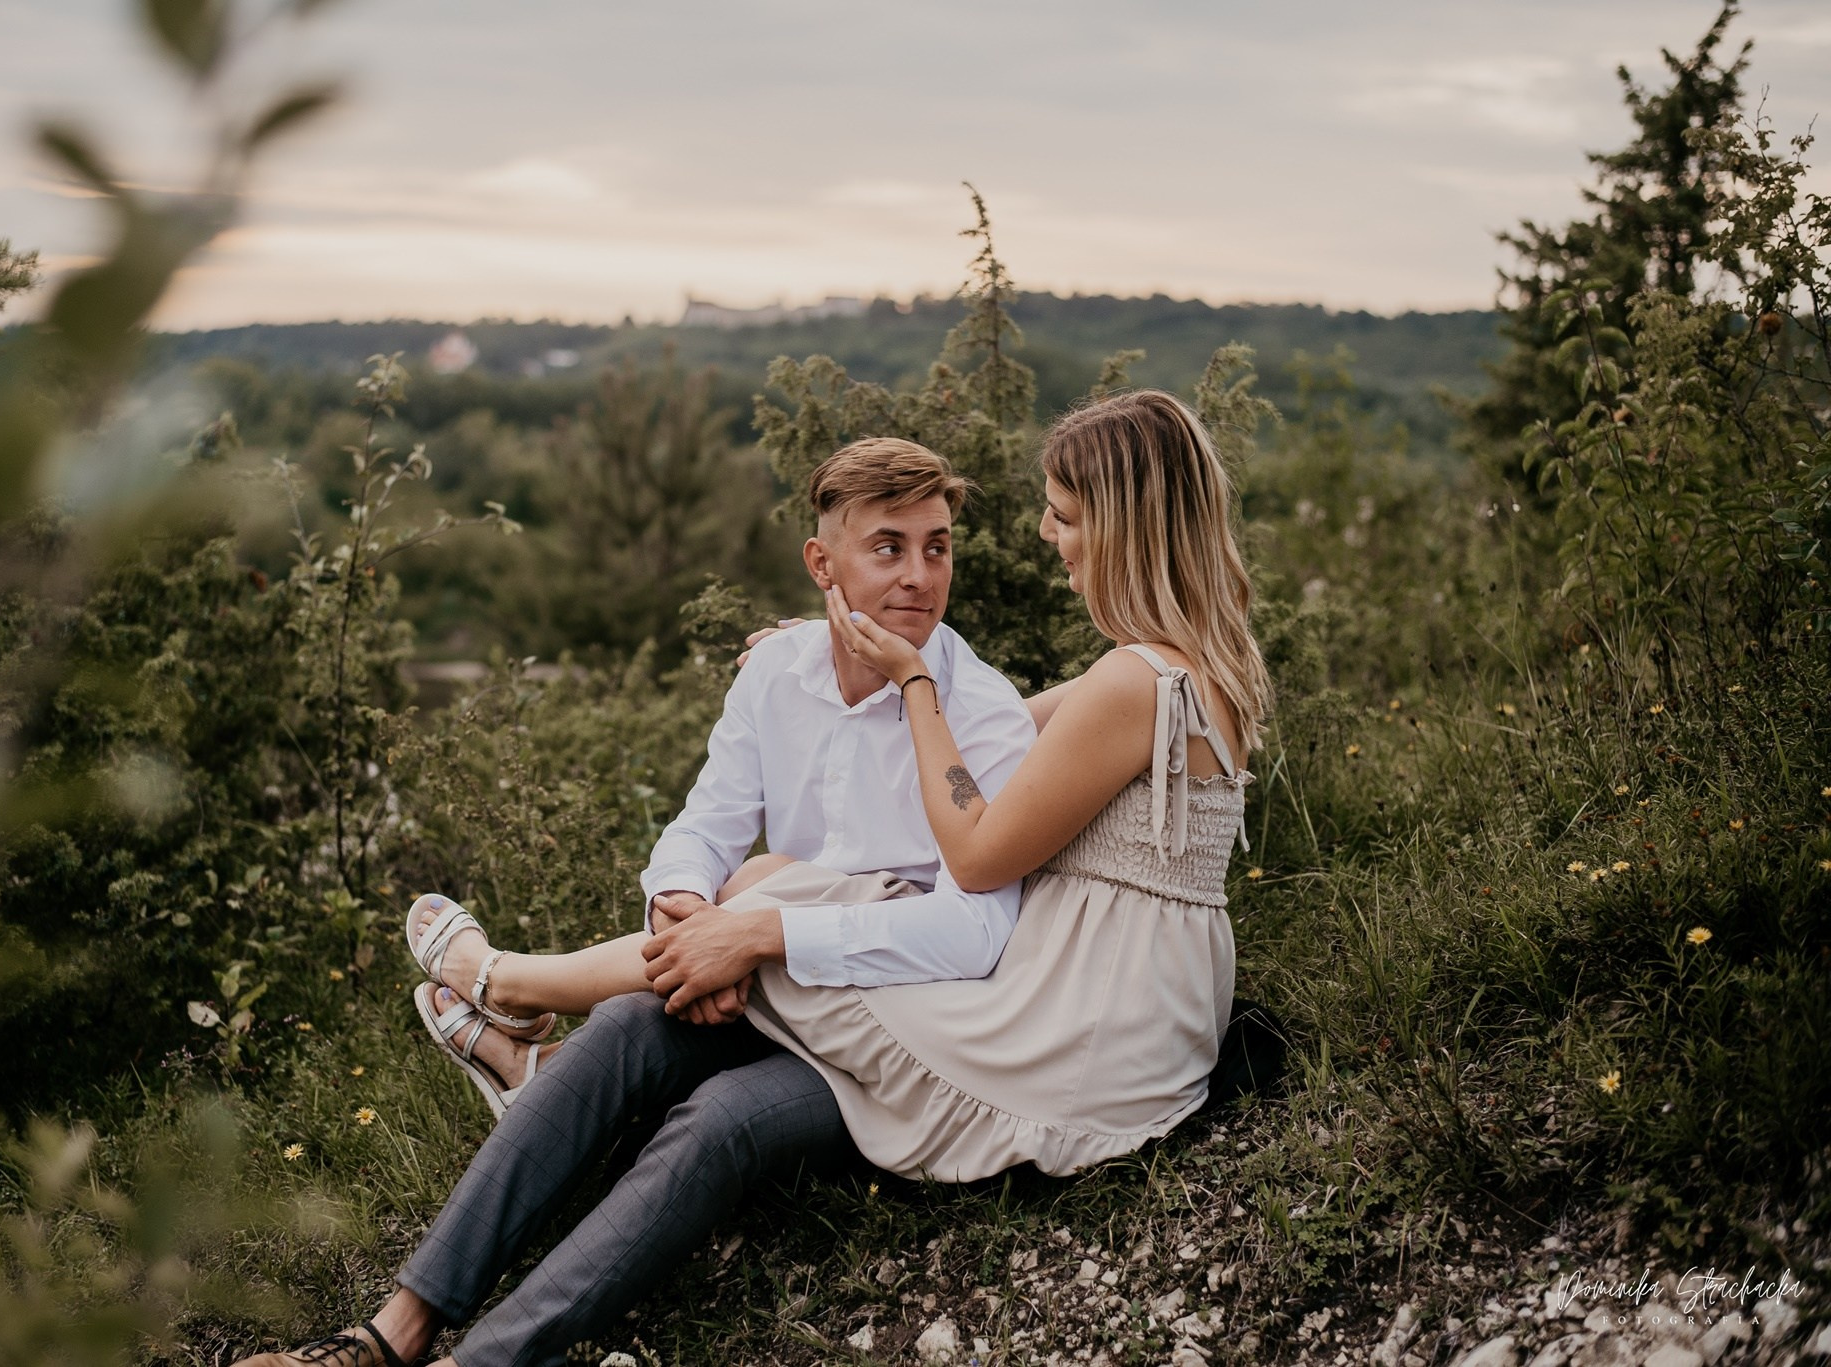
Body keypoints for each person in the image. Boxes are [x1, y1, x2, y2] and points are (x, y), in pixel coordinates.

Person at [231, 437, 1037, 1367]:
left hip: (897, 1046)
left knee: (721, 1122)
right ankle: (387, 1334)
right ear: (823, 562)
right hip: (772, 986)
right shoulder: (776, 675)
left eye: (937, 546)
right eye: (888, 546)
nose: (920, 575)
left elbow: (979, 929)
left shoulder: (977, 712)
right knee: (618, 1029)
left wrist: (761, 935)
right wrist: (687, 916)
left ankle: (479, 1360)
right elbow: (704, 825)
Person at [743, 387, 1273, 1179]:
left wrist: (913, 680)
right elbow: (996, 732)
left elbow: (977, 856)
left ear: (1122, 529)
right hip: (1145, 1004)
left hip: (1079, 1024)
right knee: (772, 885)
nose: (1045, 532)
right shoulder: (1193, 665)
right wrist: (843, 647)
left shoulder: (1132, 681)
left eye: (1062, 513)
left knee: (770, 924)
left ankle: (506, 987)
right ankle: (511, 994)